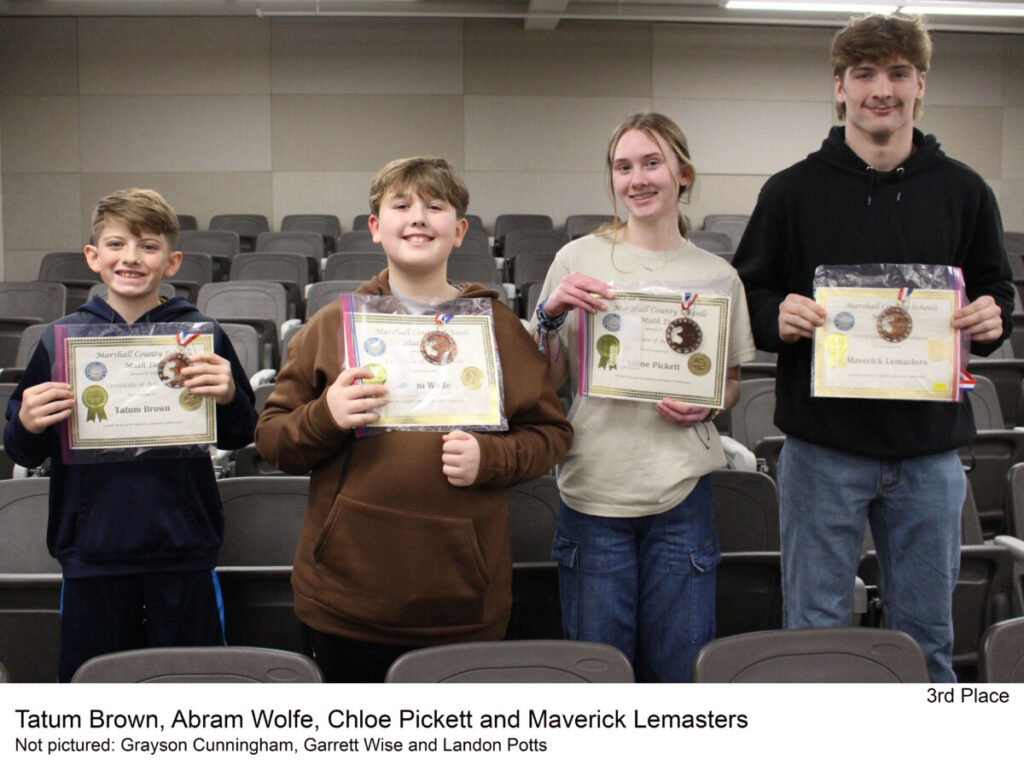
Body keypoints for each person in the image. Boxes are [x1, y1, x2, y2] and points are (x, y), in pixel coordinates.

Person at [733, 14, 1013, 682]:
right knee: (816, 635)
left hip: (929, 454)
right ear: (840, 87)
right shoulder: (791, 190)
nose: (879, 89)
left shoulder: (965, 189)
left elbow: (997, 290)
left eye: (896, 73)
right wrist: (780, 314)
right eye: (864, 74)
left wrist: (990, 314)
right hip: (822, 453)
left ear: (920, 84)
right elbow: (751, 294)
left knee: (927, 640)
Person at [254, 157, 572, 682]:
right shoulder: (333, 324)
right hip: (346, 595)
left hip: (462, 597)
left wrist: (492, 457)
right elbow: (272, 441)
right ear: (377, 227)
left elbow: (551, 434)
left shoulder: (496, 327)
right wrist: (325, 415)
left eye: (435, 206)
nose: (418, 217)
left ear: (459, 230)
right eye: (401, 206)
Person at [529, 113, 756, 682]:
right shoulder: (576, 260)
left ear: (683, 173)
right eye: (623, 166)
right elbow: (546, 380)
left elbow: (727, 382)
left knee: (676, 674)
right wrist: (550, 316)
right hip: (593, 491)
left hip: (681, 493)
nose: (638, 179)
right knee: (600, 676)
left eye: (652, 163)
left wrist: (709, 404)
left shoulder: (718, 276)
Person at [3, 188, 258, 682]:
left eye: (148, 245)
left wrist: (229, 395)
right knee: (96, 690)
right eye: (117, 244)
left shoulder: (202, 336)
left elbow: (238, 436)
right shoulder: (61, 340)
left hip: (182, 549)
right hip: (91, 553)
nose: (132, 258)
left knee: (194, 690)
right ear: (94, 257)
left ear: (172, 260)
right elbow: (23, 449)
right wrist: (27, 422)